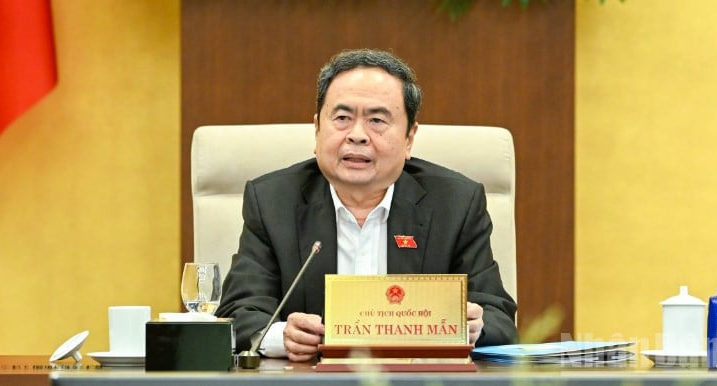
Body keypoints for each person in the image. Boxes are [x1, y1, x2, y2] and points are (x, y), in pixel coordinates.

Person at [216, 48, 518, 362]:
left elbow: (500, 319)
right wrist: (283, 336)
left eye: (377, 120)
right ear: (318, 129)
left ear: (409, 138)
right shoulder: (272, 202)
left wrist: (472, 328)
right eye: (343, 118)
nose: (357, 135)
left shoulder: (455, 204)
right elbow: (237, 314)